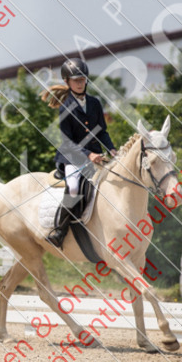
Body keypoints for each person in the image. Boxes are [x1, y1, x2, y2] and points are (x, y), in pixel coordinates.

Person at [42, 58, 117, 247]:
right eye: (76, 80)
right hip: (72, 157)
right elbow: (67, 141)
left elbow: (102, 131)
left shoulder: (94, 103)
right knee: (74, 187)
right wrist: (88, 154)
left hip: (96, 156)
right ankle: (59, 231)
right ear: (67, 81)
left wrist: (112, 149)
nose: (80, 83)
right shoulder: (65, 106)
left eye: (83, 79)